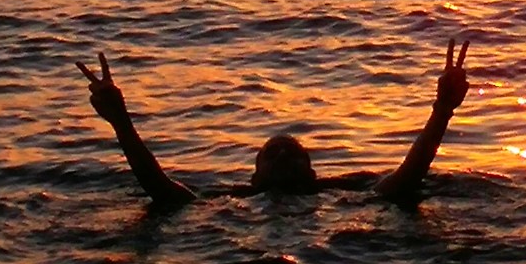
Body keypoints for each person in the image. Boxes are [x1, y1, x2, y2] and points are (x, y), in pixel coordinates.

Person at [76, 38, 472, 207]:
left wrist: (443, 110)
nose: (283, 153)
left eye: (293, 152)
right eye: (272, 152)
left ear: (314, 174)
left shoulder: (341, 196)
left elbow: (406, 180)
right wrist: (120, 121)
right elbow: (161, 190)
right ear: (254, 179)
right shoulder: (233, 202)